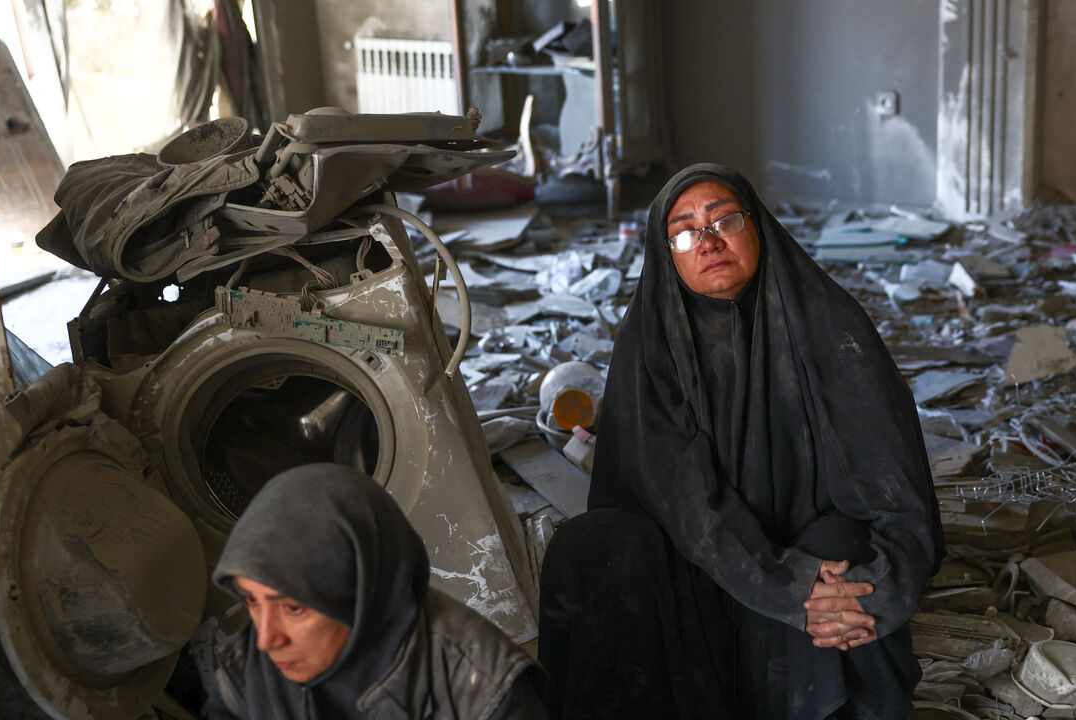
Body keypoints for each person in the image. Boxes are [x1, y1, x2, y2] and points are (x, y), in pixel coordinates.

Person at [538, 164, 943, 719]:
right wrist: (784, 584)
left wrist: (864, 595)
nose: (707, 241)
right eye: (683, 231)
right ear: (667, 256)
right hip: (695, 579)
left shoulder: (831, 327)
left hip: (809, 579)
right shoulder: (650, 348)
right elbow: (684, 505)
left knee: (844, 548)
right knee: (596, 544)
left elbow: (898, 496)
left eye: (724, 219)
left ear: (758, 226)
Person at [198, 463, 546, 719]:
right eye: (252, 600)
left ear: (360, 592)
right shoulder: (249, 666)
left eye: (293, 608)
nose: (266, 640)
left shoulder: (482, 690)